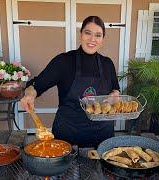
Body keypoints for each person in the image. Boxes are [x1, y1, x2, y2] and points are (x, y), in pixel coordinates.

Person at [20, 16, 120, 148]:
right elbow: (36, 85)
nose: (92, 39)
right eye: (88, 33)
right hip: (68, 137)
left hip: (102, 136)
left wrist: (114, 97)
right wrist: (30, 94)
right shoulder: (64, 61)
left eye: (98, 35)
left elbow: (115, 89)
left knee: (102, 169)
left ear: (103, 39)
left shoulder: (107, 64)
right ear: (81, 34)